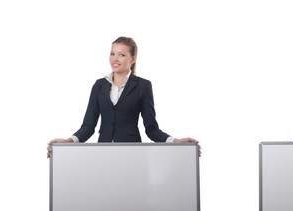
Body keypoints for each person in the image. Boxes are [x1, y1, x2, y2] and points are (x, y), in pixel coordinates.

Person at [48, 36, 199, 157]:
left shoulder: (143, 86)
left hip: (132, 153)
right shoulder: (99, 85)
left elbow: (151, 128)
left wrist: (176, 141)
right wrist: (68, 141)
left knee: (132, 194)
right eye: (112, 53)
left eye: (121, 55)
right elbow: (88, 126)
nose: (115, 59)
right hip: (103, 153)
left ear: (133, 59)